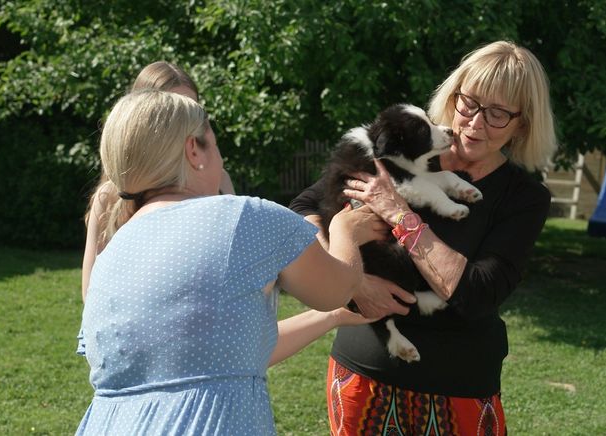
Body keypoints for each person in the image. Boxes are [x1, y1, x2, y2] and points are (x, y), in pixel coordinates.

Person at [75, 89, 386, 435]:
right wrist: (345, 230)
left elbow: (222, 354)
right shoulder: (244, 218)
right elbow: (336, 288)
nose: (222, 160)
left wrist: (332, 319)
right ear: (194, 150)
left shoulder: (114, 250)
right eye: (216, 144)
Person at [289, 40, 557, 435]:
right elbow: (304, 207)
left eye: (498, 113)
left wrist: (400, 213)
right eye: (470, 103)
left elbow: (477, 294)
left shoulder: (524, 198)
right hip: (363, 377)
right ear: (454, 95)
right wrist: (352, 280)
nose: (476, 122)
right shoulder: (403, 147)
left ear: (523, 123)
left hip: (458, 390)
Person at [81, 61, 235, 302]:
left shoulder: (220, 180)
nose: (183, 125)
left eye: (191, 110)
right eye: (169, 111)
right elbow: (90, 293)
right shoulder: (112, 196)